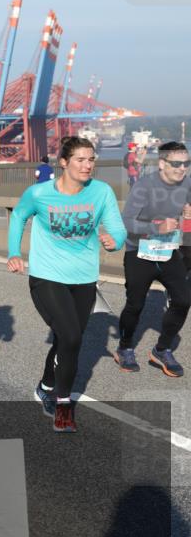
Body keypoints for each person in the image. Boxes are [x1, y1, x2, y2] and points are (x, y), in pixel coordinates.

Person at [7, 136, 126, 433]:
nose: (88, 165)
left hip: (84, 279)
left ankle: (46, 385)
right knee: (71, 337)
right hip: (47, 276)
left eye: (91, 159)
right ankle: (63, 406)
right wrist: (14, 253)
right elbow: (18, 216)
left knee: (66, 340)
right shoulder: (39, 193)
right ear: (63, 162)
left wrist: (114, 241)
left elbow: (118, 229)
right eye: (80, 160)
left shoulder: (101, 192)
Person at [114, 141, 191, 377]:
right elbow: (126, 222)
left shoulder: (187, 183)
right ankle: (125, 347)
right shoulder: (144, 186)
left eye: (186, 163)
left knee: (183, 300)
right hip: (139, 251)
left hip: (167, 250)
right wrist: (157, 227)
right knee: (136, 304)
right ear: (162, 164)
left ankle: (162, 350)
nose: (182, 168)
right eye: (176, 164)